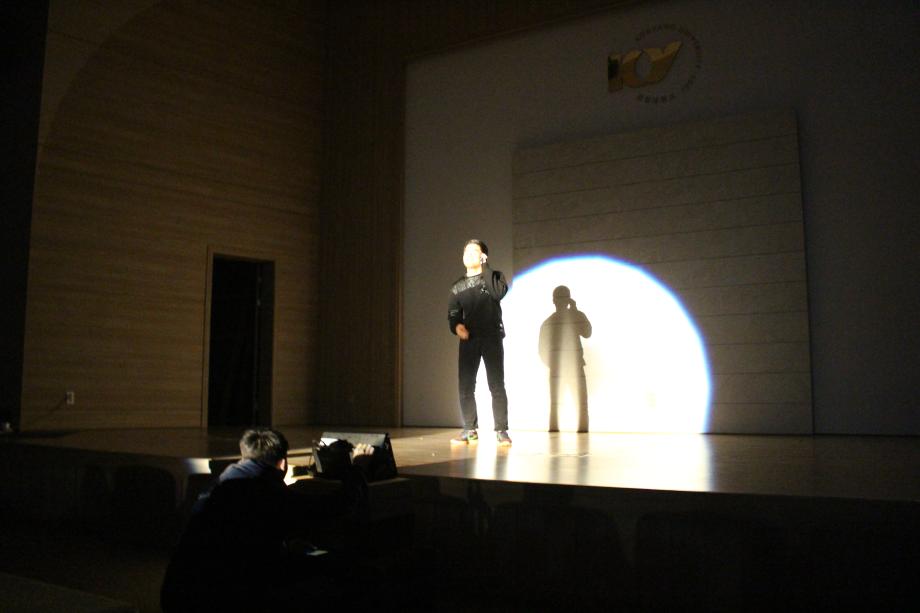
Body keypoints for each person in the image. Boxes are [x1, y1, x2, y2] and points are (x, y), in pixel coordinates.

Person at [160, 428, 375, 613]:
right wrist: (358, 468)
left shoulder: (217, 486)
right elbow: (338, 506)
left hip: (179, 594)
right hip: (225, 599)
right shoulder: (266, 492)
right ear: (282, 463)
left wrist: (281, 546)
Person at [447, 239, 512, 445]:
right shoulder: (457, 286)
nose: (468, 254)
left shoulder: (494, 276)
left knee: (496, 384)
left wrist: (486, 267)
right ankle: (469, 429)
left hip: (492, 336)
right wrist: (457, 327)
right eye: (466, 251)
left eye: (474, 251)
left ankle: (501, 430)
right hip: (470, 339)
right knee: (466, 385)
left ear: (483, 256)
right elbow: (453, 314)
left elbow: (498, 293)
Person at [539, 286, 592, 432]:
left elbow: (542, 350)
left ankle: (556, 429)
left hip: (562, 369)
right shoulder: (568, 318)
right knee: (578, 404)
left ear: (553, 301)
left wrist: (553, 365)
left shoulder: (549, 322)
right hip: (571, 368)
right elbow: (587, 332)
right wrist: (575, 311)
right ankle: (581, 430)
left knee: (557, 404)